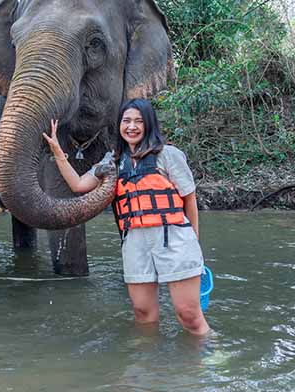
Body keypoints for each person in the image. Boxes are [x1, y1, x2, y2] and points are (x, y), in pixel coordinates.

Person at [42, 98, 210, 335]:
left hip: (174, 238)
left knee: (189, 315)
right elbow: (79, 185)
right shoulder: (112, 162)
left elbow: (189, 199)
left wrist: (195, 242)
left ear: (149, 125)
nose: (132, 126)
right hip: (135, 242)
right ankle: (148, 364)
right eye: (126, 121)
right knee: (143, 313)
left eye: (139, 121)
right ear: (119, 125)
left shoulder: (168, 155)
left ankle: (208, 359)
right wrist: (58, 152)